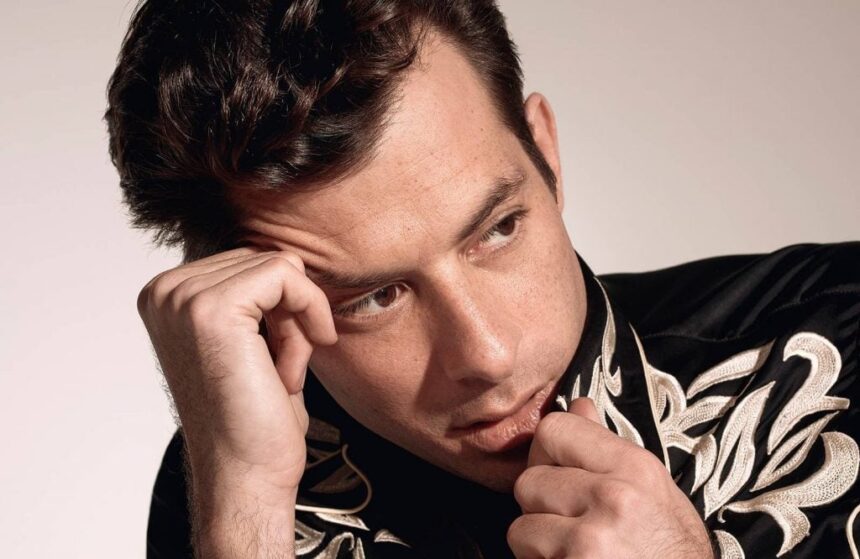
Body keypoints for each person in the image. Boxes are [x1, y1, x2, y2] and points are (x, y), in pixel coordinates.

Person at [104, 1, 860, 557]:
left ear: (546, 154)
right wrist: (243, 508)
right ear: (268, 309)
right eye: (375, 297)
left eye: (497, 229)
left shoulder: (845, 322)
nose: (488, 355)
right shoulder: (248, 482)